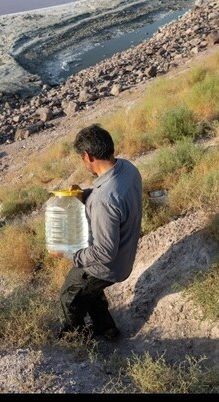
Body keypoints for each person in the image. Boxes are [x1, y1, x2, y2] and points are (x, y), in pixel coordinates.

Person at [51, 124, 142, 341]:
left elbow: (104, 253)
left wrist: (67, 252)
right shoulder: (128, 169)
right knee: (89, 292)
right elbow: (113, 202)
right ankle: (106, 329)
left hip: (108, 266)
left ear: (87, 156)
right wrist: (85, 195)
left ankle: (75, 339)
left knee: (70, 296)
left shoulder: (104, 200)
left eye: (81, 159)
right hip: (125, 255)